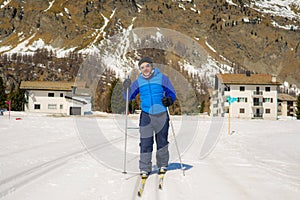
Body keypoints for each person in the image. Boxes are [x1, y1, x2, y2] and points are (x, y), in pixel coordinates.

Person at [123, 57, 176, 178]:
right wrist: (125, 88)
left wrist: (169, 99)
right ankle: (145, 168)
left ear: (152, 66)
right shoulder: (138, 82)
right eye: (142, 67)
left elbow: (171, 93)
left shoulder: (162, 78)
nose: (145, 69)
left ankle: (162, 164)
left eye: (147, 66)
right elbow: (128, 97)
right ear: (140, 70)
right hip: (146, 115)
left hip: (162, 113)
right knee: (145, 142)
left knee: (162, 140)